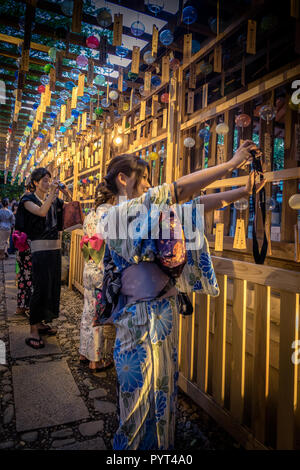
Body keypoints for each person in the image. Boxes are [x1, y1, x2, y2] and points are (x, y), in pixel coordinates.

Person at [96, 140, 266, 450]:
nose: (149, 184)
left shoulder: (146, 210)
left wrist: (242, 193)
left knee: (164, 391)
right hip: (138, 317)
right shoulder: (116, 214)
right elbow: (177, 192)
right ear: (123, 178)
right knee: (139, 398)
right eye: (144, 177)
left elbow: (192, 208)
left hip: (164, 311)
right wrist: (230, 164)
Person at [15, 167, 71, 349]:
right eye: (44, 180)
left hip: (55, 248)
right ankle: (33, 329)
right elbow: (41, 212)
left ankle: (41, 321)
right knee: (38, 288)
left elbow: (69, 206)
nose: (48, 183)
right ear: (35, 183)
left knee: (51, 288)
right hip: (38, 249)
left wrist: (66, 191)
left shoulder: (53, 198)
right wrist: (52, 195)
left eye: (50, 180)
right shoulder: (27, 200)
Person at [79, 183, 115, 371]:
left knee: (88, 311)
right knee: (100, 314)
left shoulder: (90, 216)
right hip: (103, 270)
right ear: (113, 197)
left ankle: (84, 352)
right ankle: (96, 359)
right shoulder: (111, 215)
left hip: (89, 267)